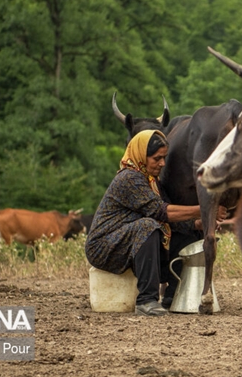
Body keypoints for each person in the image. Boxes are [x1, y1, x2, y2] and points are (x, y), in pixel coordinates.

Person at [86, 129, 212, 316]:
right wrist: (205, 209)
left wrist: (197, 225)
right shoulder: (129, 178)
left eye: (164, 158)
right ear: (141, 156)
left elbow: (169, 219)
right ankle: (146, 301)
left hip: (130, 241)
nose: (162, 163)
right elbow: (160, 211)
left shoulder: (152, 182)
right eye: (156, 158)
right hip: (103, 246)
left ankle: (174, 296)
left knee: (188, 236)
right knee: (148, 226)